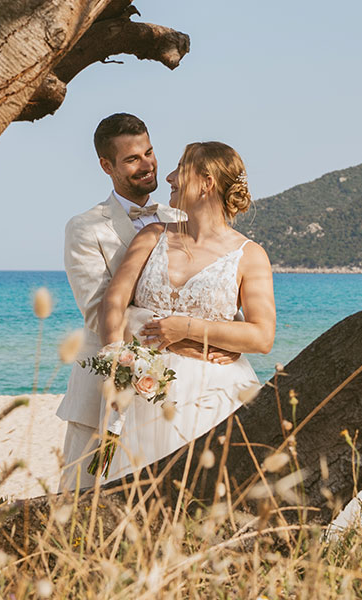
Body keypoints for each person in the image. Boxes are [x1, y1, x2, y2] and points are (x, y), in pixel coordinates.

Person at [97, 141, 276, 479]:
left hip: (212, 395)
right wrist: (117, 362)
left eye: (181, 168)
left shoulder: (250, 256)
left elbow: (262, 336)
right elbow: (115, 300)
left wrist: (185, 330)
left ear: (206, 182)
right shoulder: (152, 236)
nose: (168, 176)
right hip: (142, 390)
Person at [58, 114, 198, 488]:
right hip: (104, 390)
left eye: (149, 152)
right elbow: (97, 310)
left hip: (177, 388)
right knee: (81, 504)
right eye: (132, 159)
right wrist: (172, 330)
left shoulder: (182, 218)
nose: (148, 164)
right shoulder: (86, 227)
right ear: (107, 166)